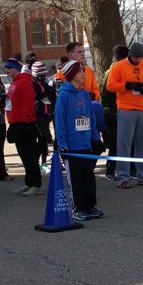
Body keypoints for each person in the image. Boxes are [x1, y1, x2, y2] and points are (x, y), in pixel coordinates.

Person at [55, 60, 105, 221]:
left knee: (89, 178)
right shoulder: (63, 95)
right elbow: (60, 122)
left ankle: (90, 205)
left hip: (86, 144)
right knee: (76, 179)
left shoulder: (84, 93)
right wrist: (62, 145)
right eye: (79, 71)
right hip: (72, 147)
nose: (83, 74)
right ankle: (78, 208)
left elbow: (90, 118)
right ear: (71, 75)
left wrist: (96, 139)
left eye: (83, 71)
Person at [106, 43, 143, 188]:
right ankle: (123, 177)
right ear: (130, 55)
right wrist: (128, 85)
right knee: (124, 144)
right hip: (126, 109)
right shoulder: (118, 66)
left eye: (140, 57)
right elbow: (110, 85)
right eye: (135, 57)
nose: (137, 60)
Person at [4, 57, 43, 196]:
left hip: (25, 124)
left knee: (30, 156)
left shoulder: (24, 82)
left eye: (9, 67)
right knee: (24, 156)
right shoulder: (14, 83)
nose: (7, 69)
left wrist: (25, 122)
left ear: (17, 68)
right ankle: (29, 182)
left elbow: (28, 104)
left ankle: (36, 184)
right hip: (15, 122)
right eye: (5, 67)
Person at [99, 45, 129, 181]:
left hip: (125, 110)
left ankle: (128, 169)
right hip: (114, 113)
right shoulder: (111, 72)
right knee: (115, 144)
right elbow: (104, 93)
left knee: (126, 142)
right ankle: (110, 170)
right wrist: (107, 111)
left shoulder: (124, 70)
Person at [31, 61, 56, 174]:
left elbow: (49, 93)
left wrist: (51, 89)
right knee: (42, 137)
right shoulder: (32, 82)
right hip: (37, 113)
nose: (44, 76)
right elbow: (36, 96)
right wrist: (47, 92)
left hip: (45, 112)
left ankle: (44, 163)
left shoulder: (42, 82)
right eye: (42, 74)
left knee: (45, 138)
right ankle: (34, 161)